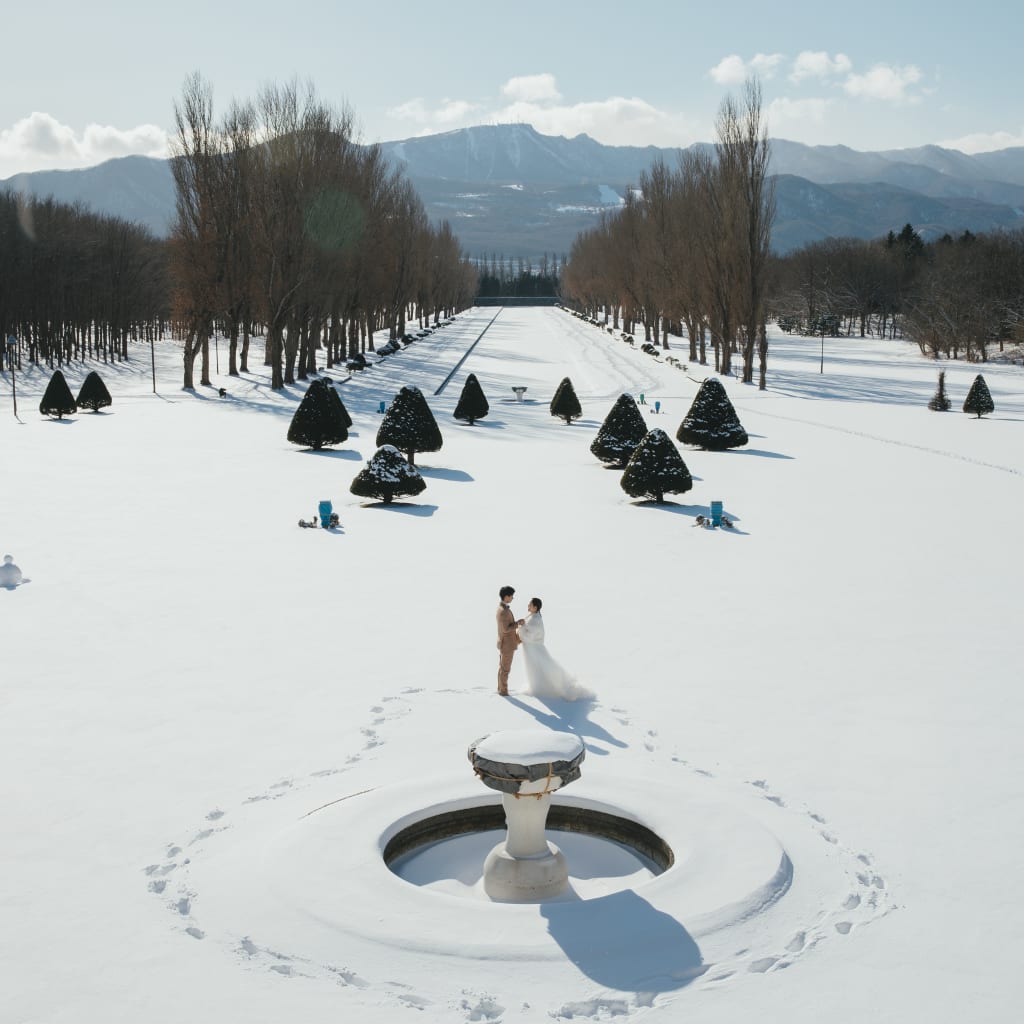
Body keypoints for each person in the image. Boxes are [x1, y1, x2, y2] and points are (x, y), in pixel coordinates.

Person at [516, 598, 592, 701]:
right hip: (531, 649)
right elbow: (528, 630)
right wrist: (523, 625)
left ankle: (556, 687)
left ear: (535, 607)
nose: (528, 606)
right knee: (536, 667)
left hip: (534, 649)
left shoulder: (536, 620)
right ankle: (536, 685)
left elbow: (531, 636)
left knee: (544, 667)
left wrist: (521, 628)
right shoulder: (532, 616)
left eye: (530, 604)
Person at [495, 585, 522, 696]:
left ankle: (500, 688)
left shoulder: (502, 608)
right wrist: (518, 624)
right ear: (506, 597)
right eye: (511, 596)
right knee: (505, 669)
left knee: (502, 668)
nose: (512, 598)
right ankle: (503, 691)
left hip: (504, 643)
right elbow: (506, 629)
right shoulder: (503, 611)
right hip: (507, 645)